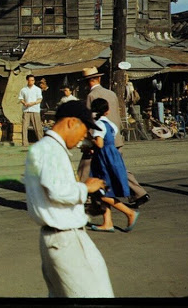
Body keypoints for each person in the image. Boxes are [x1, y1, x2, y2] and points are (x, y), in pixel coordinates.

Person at [24, 100, 114, 298]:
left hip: (57, 238)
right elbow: (58, 192)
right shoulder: (49, 150)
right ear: (71, 122)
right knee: (95, 295)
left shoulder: (45, 148)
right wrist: (85, 188)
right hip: (65, 239)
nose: (85, 136)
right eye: (85, 128)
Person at [76, 67, 150, 209]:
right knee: (118, 167)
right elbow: (116, 115)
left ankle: (81, 197)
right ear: (99, 79)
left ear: (88, 82)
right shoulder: (111, 94)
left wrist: (89, 141)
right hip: (115, 137)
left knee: (85, 168)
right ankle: (139, 193)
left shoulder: (91, 96)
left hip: (100, 140)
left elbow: (91, 121)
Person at [88, 98, 140, 232]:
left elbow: (99, 143)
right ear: (106, 111)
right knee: (104, 191)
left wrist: (89, 141)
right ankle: (107, 222)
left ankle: (129, 213)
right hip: (112, 156)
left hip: (104, 160)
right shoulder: (110, 124)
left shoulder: (98, 124)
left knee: (102, 192)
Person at [18, 74, 44, 146]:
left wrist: (34, 103)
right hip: (26, 110)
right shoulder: (23, 89)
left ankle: (41, 141)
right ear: (27, 81)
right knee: (24, 127)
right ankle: (25, 143)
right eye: (30, 80)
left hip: (35, 109)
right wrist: (24, 103)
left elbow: (40, 99)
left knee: (37, 127)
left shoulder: (37, 89)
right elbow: (21, 98)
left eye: (33, 80)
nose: (32, 82)